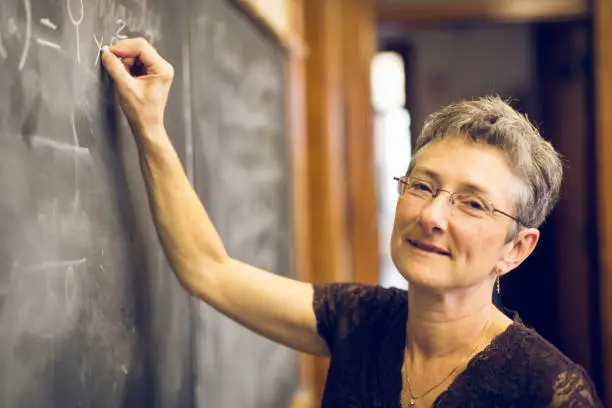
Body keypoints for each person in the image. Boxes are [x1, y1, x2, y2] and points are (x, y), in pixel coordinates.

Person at [100, 39, 603, 407]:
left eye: (472, 204)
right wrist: (149, 125)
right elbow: (208, 270)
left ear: (516, 248)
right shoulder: (361, 321)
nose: (431, 215)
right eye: (423, 186)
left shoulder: (550, 390)